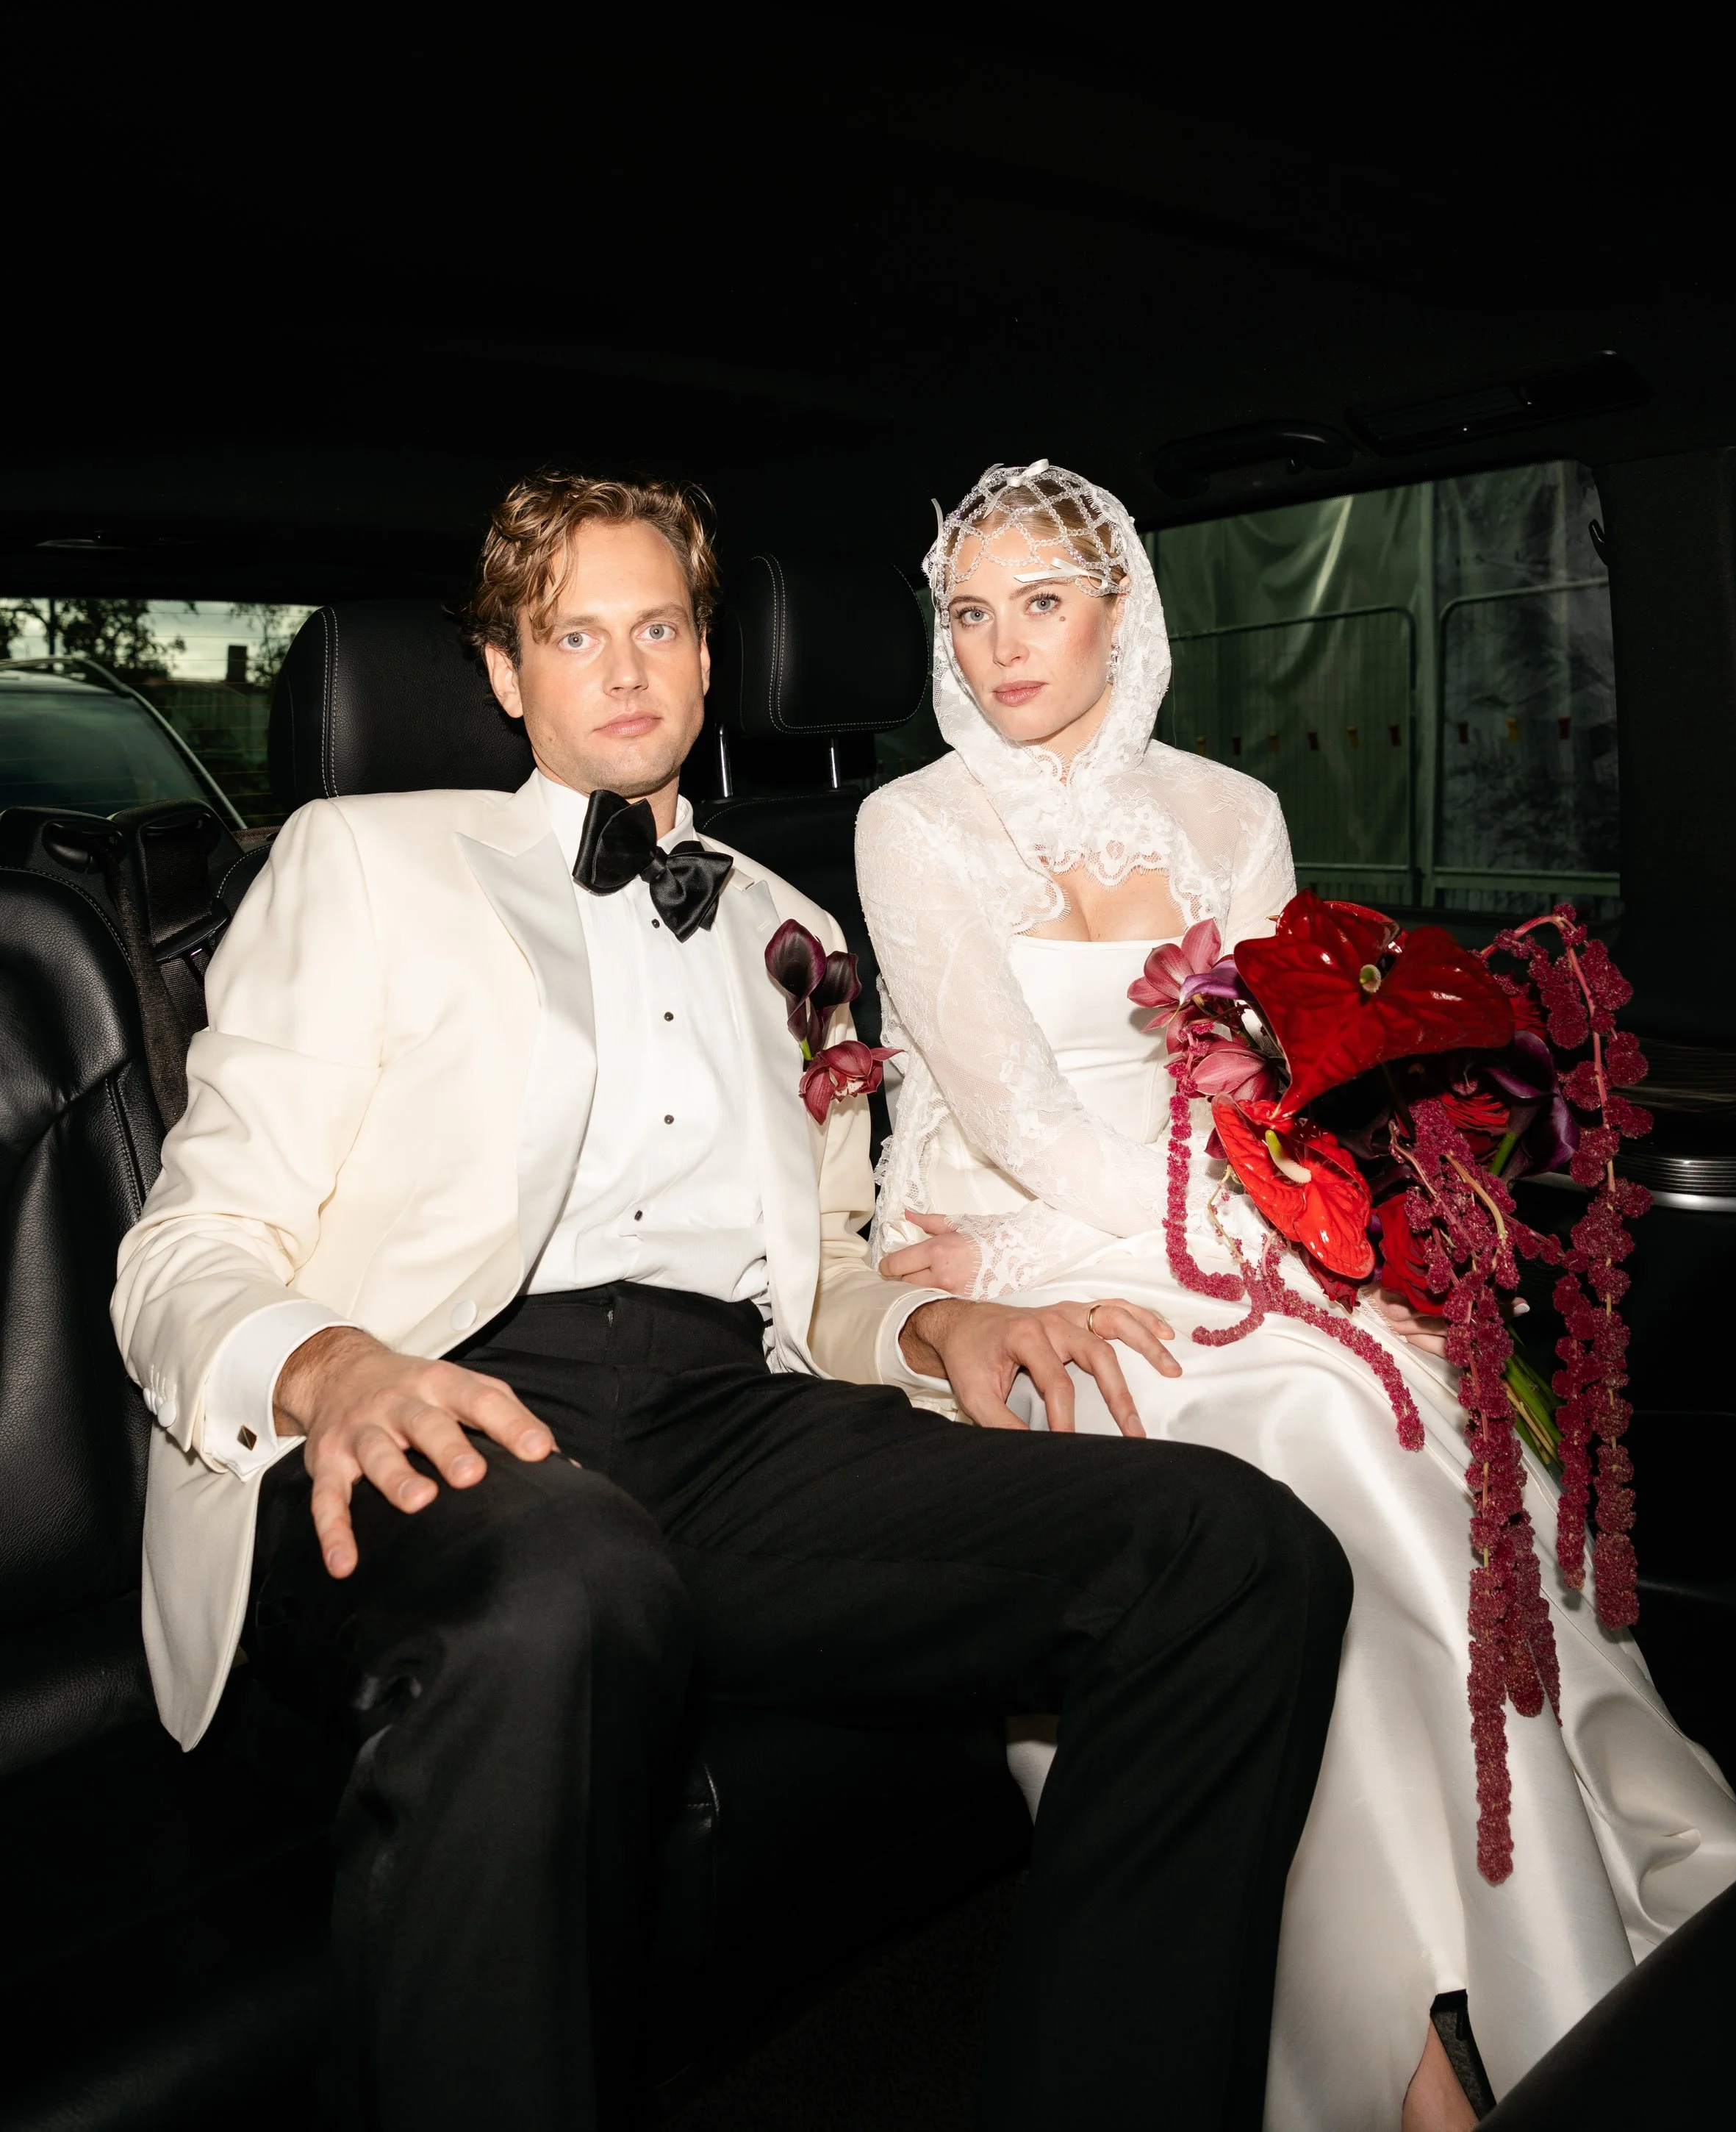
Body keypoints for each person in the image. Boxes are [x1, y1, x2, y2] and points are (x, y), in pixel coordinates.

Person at [112, 466, 1352, 2132]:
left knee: (1235, 1552)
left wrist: (933, 1326)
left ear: (707, 660)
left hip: (723, 1421)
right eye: (574, 637)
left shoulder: (792, 929)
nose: (625, 670)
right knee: (564, 1576)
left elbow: (822, 1273)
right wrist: (334, 1365)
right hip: (433, 1405)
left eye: (659, 629)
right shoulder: (362, 863)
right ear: (505, 675)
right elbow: (184, 1245)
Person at [859, 458, 1736, 2132]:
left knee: (1409, 1399)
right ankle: (1410, 2061)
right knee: (1312, 1415)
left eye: (1041, 604)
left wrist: (1323, 1257)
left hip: (1214, 1223)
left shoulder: (1229, 811)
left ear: (1119, 609)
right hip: (1014, 1241)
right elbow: (1018, 1120)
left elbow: (1277, 1093)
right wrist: (1263, 1270)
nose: (1003, 648)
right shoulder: (912, 823)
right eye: (969, 614)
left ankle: (1546, 1945)